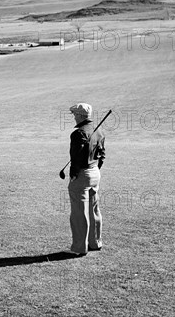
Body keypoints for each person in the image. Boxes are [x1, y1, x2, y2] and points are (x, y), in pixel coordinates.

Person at [67, 103, 105, 255]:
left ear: (81, 116)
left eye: (75, 114)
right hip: (95, 173)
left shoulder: (78, 133)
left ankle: (79, 248)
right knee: (93, 210)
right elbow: (102, 155)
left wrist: (74, 174)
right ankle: (95, 243)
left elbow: (75, 158)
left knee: (79, 213)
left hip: (82, 175)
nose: (74, 117)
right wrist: (94, 170)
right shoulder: (98, 130)